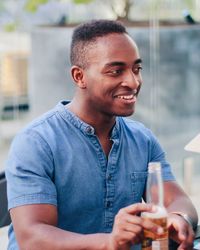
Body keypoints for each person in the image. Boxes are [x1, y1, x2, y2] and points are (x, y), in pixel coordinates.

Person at [6, 19, 198, 250]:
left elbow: (178, 201)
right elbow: (32, 238)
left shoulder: (142, 139)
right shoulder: (36, 142)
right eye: (116, 71)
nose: (133, 81)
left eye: (136, 69)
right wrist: (110, 242)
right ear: (79, 77)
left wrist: (179, 218)